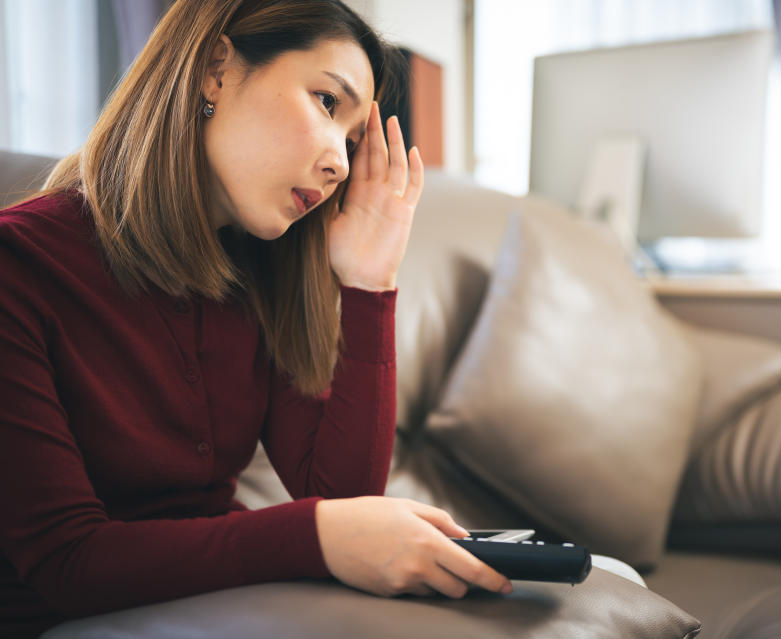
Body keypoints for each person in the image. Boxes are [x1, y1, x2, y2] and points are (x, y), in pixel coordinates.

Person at [0, 1, 511, 635]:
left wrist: (369, 283)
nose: (342, 165)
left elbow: (341, 497)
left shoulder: (255, 276)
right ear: (215, 69)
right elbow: (66, 561)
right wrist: (315, 535)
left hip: (220, 609)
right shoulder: (18, 265)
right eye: (328, 102)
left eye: (353, 142)